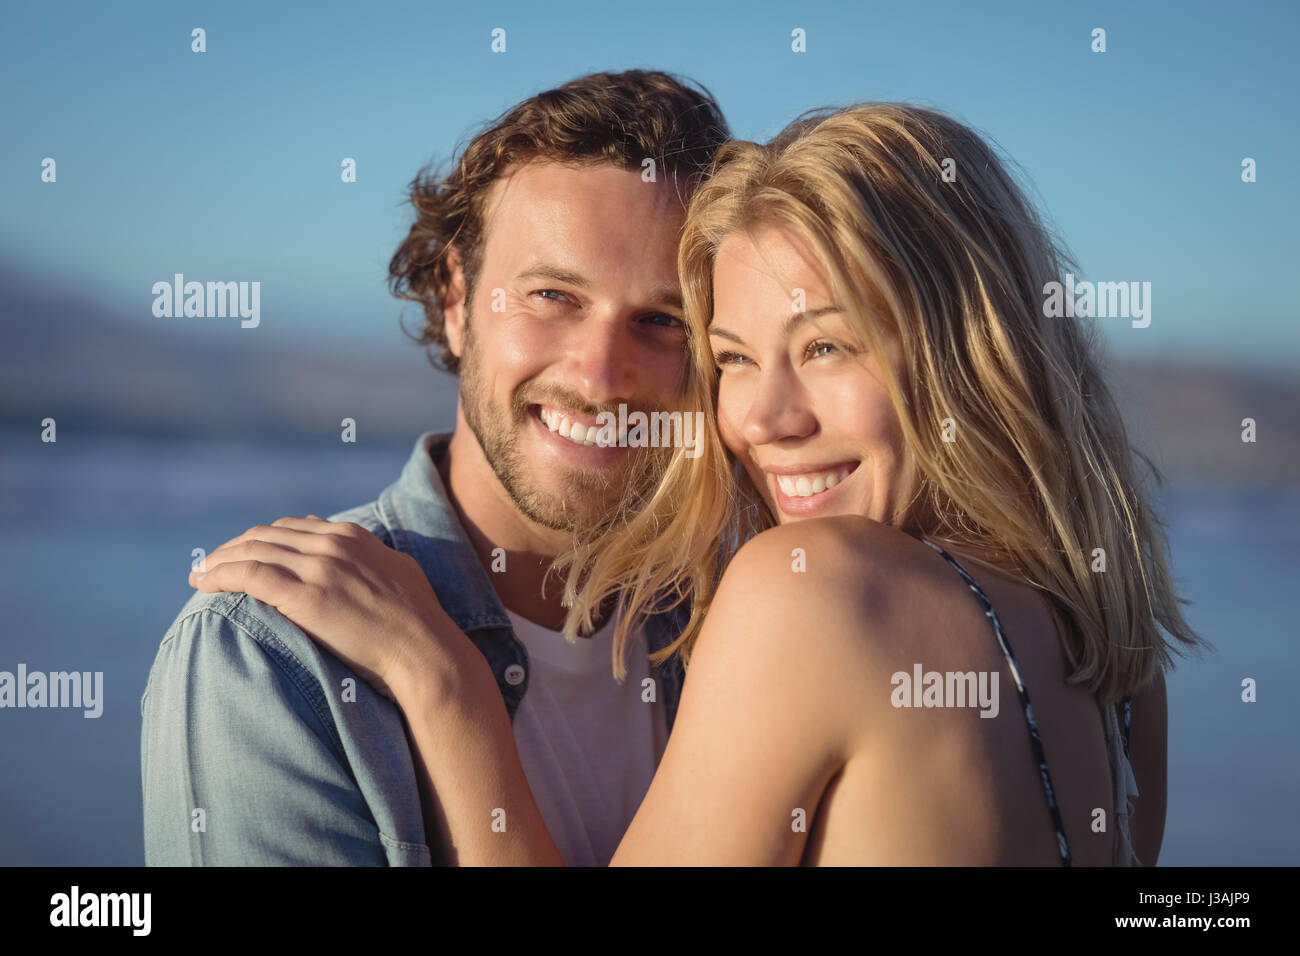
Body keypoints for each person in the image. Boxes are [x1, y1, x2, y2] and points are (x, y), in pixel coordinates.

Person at [191, 104, 1203, 865]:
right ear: (456, 305)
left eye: (826, 346)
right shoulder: (1109, 650)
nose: (764, 419)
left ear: (968, 352)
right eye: (735, 357)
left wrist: (443, 686)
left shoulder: (806, 587)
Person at [140, 69, 731, 865]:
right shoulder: (278, 655)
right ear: (457, 301)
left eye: (661, 319)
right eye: (553, 295)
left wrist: (447, 684)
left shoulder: (724, 629)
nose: (599, 376)